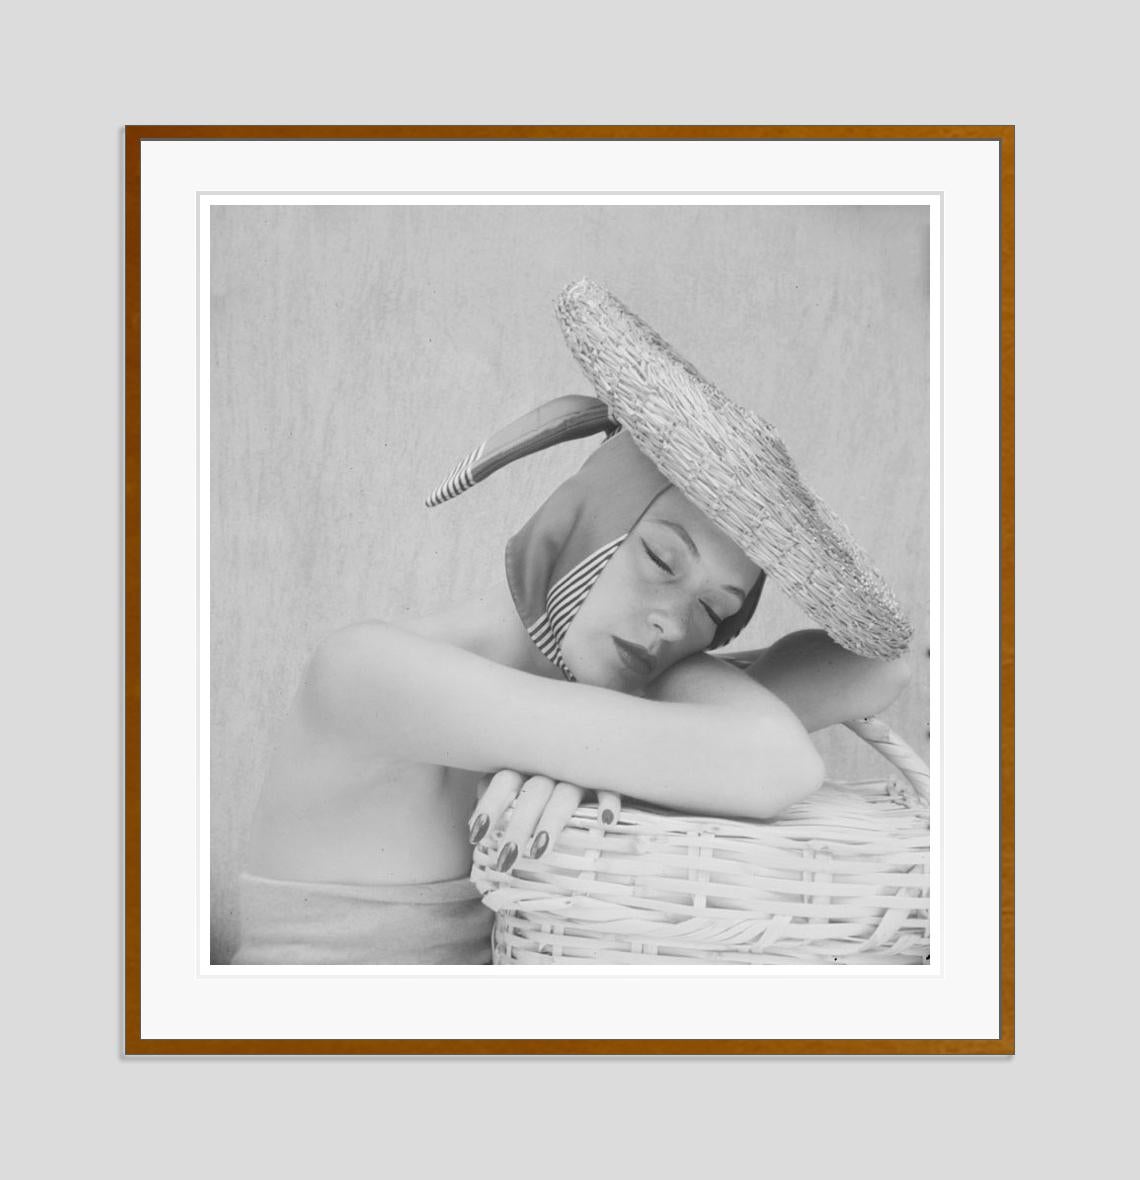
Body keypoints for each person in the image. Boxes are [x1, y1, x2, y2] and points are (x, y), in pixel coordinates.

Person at [230, 279, 914, 965]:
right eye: (660, 559)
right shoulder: (367, 672)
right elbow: (776, 762)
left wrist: (589, 762)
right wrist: (613, 751)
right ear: (584, 518)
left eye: (714, 611)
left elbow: (882, 665)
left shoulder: (605, 703)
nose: (669, 624)